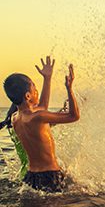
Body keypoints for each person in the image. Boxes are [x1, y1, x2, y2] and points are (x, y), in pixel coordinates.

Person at [2, 56, 80, 193]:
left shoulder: (15, 118)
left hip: (31, 176)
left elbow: (43, 106)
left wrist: (47, 78)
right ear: (28, 96)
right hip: (50, 175)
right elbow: (74, 116)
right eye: (35, 88)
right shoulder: (37, 117)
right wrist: (69, 88)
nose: (37, 91)